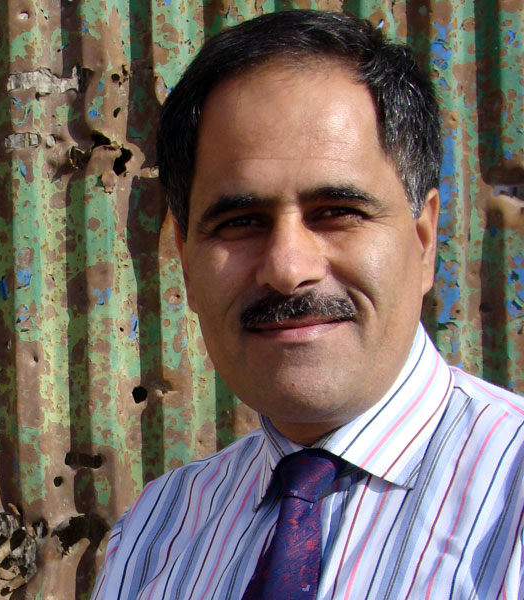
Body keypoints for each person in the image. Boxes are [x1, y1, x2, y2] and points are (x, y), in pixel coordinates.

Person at [91, 10, 524, 600]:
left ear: (424, 241)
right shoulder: (156, 532)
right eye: (241, 222)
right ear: (186, 264)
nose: (288, 268)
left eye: (338, 212)